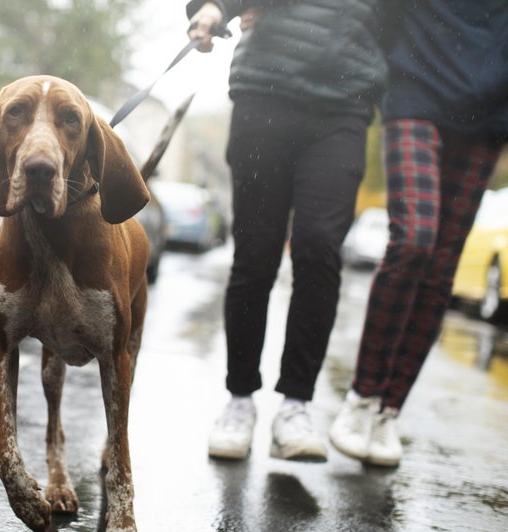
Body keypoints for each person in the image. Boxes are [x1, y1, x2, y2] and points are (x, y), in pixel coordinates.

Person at [186, 0, 387, 462]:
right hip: (265, 92)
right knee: (256, 253)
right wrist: (213, 9)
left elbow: (405, 23)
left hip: (344, 106)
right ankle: (239, 399)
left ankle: (295, 406)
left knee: (319, 248)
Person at [330, 0, 508, 467]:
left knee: (441, 266)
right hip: (416, 95)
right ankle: (363, 396)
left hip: (489, 117)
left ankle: (389, 409)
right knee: (413, 241)